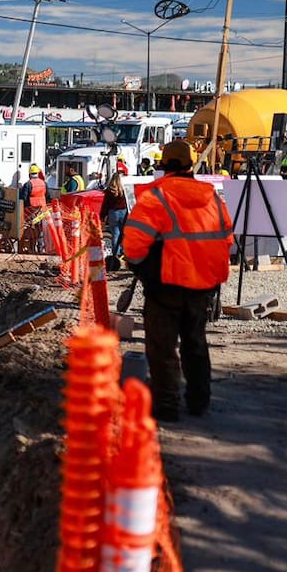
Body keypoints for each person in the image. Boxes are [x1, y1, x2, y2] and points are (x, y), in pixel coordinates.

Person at [122, 139, 233, 423]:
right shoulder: (213, 199)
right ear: (191, 164)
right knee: (195, 343)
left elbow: (133, 246)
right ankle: (199, 401)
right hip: (202, 286)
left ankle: (167, 404)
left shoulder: (155, 197)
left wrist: (144, 271)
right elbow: (226, 240)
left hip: (165, 287)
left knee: (162, 347)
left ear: (163, 164)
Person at [100, 172, 129, 259]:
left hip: (113, 213)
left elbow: (106, 204)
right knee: (125, 233)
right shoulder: (125, 188)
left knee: (115, 234)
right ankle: (125, 252)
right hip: (124, 212)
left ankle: (116, 254)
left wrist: (102, 215)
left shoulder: (110, 190)